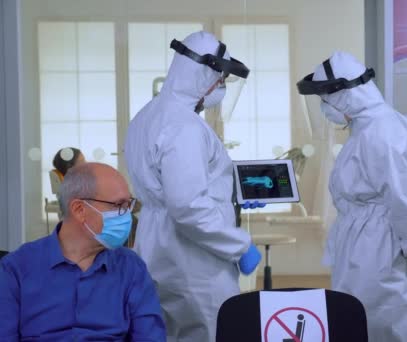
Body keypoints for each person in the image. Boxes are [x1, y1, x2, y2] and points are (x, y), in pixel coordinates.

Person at [125, 30, 261, 341]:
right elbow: (188, 207)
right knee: (211, 331)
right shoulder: (184, 126)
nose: (221, 88)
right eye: (221, 78)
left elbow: (171, 190)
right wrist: (239, 244)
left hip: (157, 247)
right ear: (203, 74)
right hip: (195, 261)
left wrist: (230, 195)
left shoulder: (147, 115)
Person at [296, 52, 407, 341]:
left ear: (347, 95)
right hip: (368, 249)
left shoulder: (381, 132)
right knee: (358, 323)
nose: (324, 107)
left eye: (326, 98)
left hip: (380, 254)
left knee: (380, 327)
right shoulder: (367, 128)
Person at [0, 163, 166, 340]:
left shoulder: (132, 269)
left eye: (128, 205)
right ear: (79, 210)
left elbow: (150, 337)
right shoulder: (16, 269)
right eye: (118, 205)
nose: (126, 216)